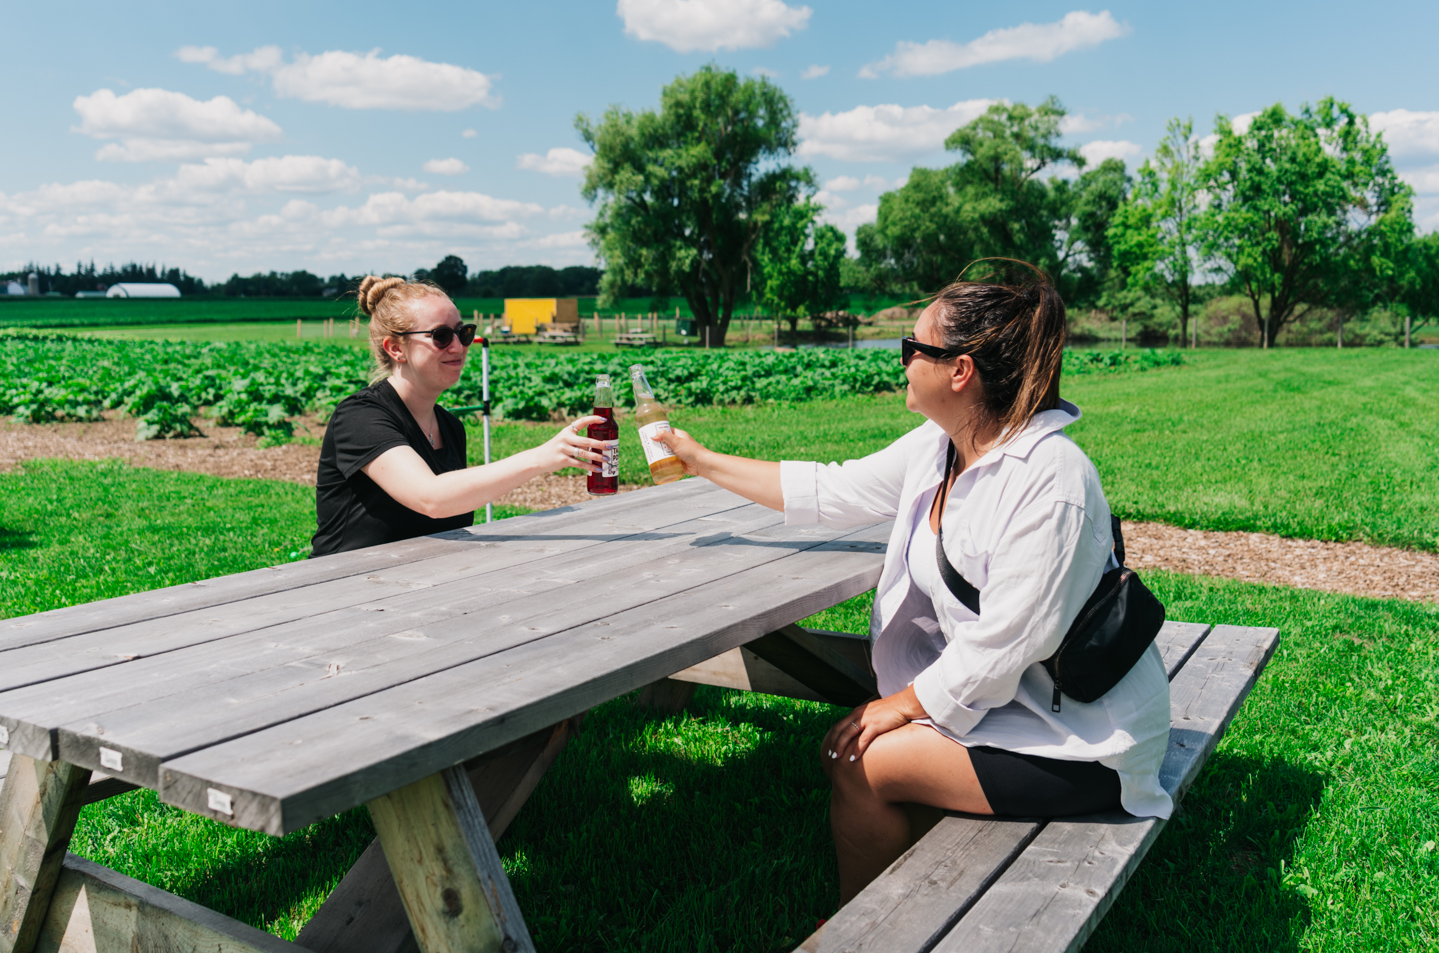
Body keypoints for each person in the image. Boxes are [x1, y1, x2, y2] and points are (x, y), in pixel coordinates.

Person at [657, 262, 1172, 904]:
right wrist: (699, 459)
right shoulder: (944, 444)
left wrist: (900, 705)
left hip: (1084, 741)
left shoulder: (1051, 479)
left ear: (959, 371)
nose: (901, 362)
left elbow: (1006, 644)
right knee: (860, 748)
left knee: (857, 757)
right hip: (1012, 705)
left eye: (912, 348)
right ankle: (911, 897)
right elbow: (832, 488)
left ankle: (861, 932)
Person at [312, 276, 606, 557]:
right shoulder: (359, 417)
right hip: (345, 588)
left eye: (462, 333)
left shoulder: (450, 427)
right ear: (396, 348)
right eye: (441, 336)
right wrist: (540, 458)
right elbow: (431, 498)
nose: (458, 346)